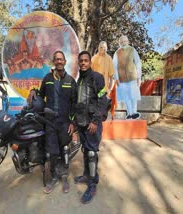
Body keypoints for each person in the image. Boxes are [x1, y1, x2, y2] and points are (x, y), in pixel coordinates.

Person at [28, 50, 77, 194]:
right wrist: (33, 90)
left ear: (65, 62)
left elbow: (75, 104)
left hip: (64, 122)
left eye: (61, 59)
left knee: (65, 150)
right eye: (56, 59)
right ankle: (54, 177)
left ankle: (64, 177)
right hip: (50, 122)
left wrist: (72, 123)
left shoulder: (70, 81)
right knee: (53, 153)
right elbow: (40, 94)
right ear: (53, 62)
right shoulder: (47, 78)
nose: (59, 61)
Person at [74, 51, 108, 204]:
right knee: (86, 151)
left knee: (92, 153)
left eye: (85, 60)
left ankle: (92, 184)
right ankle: (87, 175)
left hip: (92, 123)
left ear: (90, 62)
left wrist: (95, 121)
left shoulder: (97, 78)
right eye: (81, 61)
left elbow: (103, 99)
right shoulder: (79, 81)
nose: (83, 63)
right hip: (82, 122)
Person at [113, 35, 142, 119]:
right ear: (119, 43)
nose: (123, 43)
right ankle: (130, 113)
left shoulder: (132, 50)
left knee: (133, 95)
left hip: (132, 77)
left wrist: (139, 77)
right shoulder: (117, 52)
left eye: (125, 41)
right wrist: (116, 78)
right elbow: (114, 66)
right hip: (121, 79)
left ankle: (134, 112)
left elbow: (137, 63)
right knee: (126, 97)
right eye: (121, 42)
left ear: (128, 41)